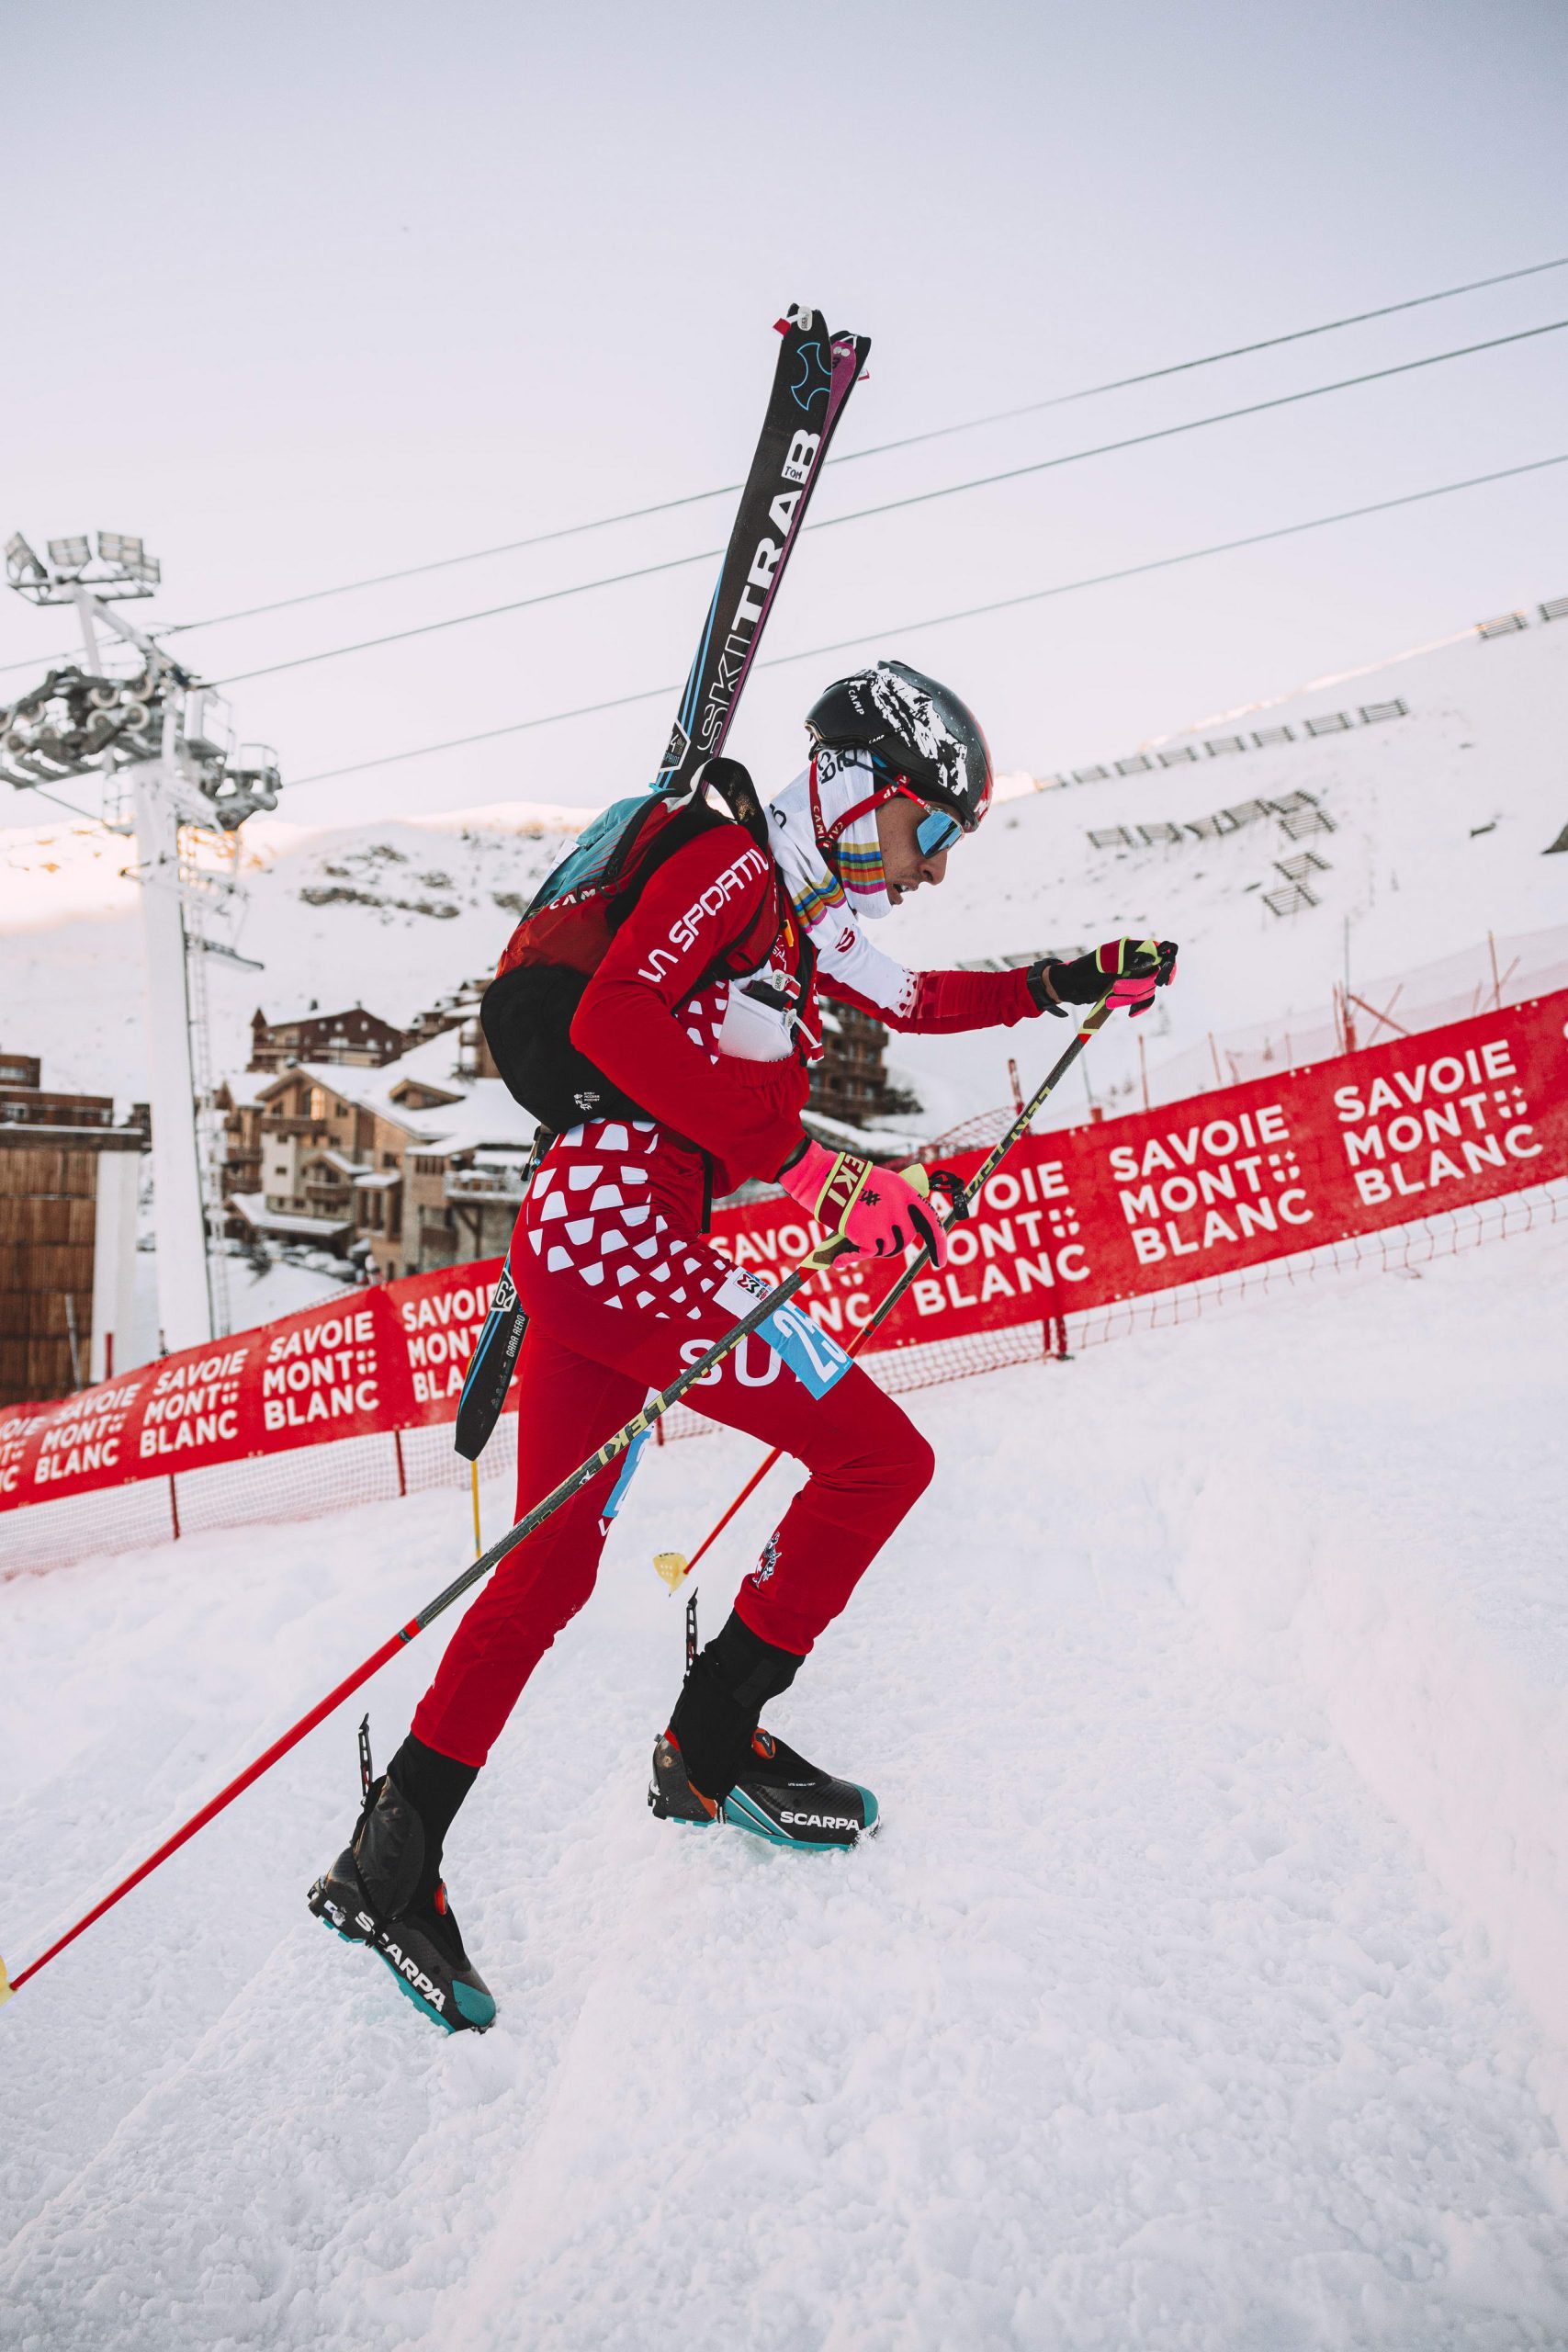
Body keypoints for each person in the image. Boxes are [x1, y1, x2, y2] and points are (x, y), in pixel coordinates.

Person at [310, 660, 1177, 2032]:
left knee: (549, 1575)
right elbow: (610, 1023)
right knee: (879, 1461)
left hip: (602, 1243)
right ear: (846, 784)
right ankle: (708, 1749)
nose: (927, 869)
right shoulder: (727, 868)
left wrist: (1072, 980)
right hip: (615, 1242)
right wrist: (825, 1176)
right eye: (919, 833)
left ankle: (392, 1858)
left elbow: (924, 998)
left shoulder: (797, 916)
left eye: (944, 845)